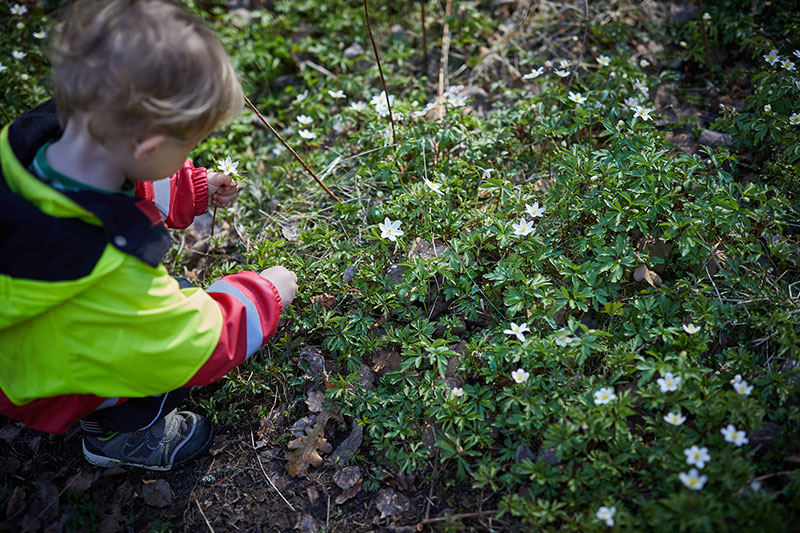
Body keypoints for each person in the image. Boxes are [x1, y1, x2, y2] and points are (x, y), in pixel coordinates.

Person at [0, 0, 298, 471]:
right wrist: (266, 294)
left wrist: (192, 187)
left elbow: (124, 170)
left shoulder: (33, 143)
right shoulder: (99, 268)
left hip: (24, 333)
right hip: (37, 376)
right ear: (150, 145)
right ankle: (118, 435)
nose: (187, 157)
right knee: (147, 359)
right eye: (188, 149)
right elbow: (184, 342)